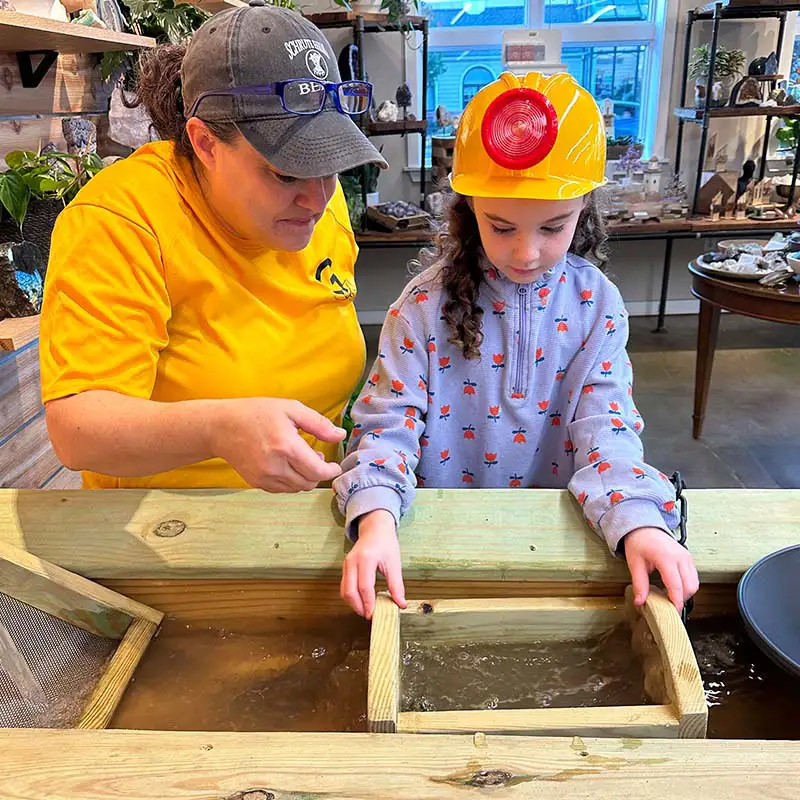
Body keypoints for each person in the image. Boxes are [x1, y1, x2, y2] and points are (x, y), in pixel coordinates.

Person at [334, 72, 699, 619]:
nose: (526, 252)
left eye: (553, 227)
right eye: (501, 226)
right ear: (468, 207)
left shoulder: (597, 303)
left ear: (585, 210)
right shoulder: (422, 306)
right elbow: (388, 424)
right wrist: (376, 517)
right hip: (431, 545)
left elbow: (606, 423)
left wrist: (640, 520)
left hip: (557, 548)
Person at [39, 1, 387, 491]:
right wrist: (218, 428)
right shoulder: (125, 219)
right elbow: (78, 429)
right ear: (205, 143)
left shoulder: (318, 207)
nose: (317, 196)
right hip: (171, 537)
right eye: (285, 172)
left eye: (330, 163)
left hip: (309, 516)